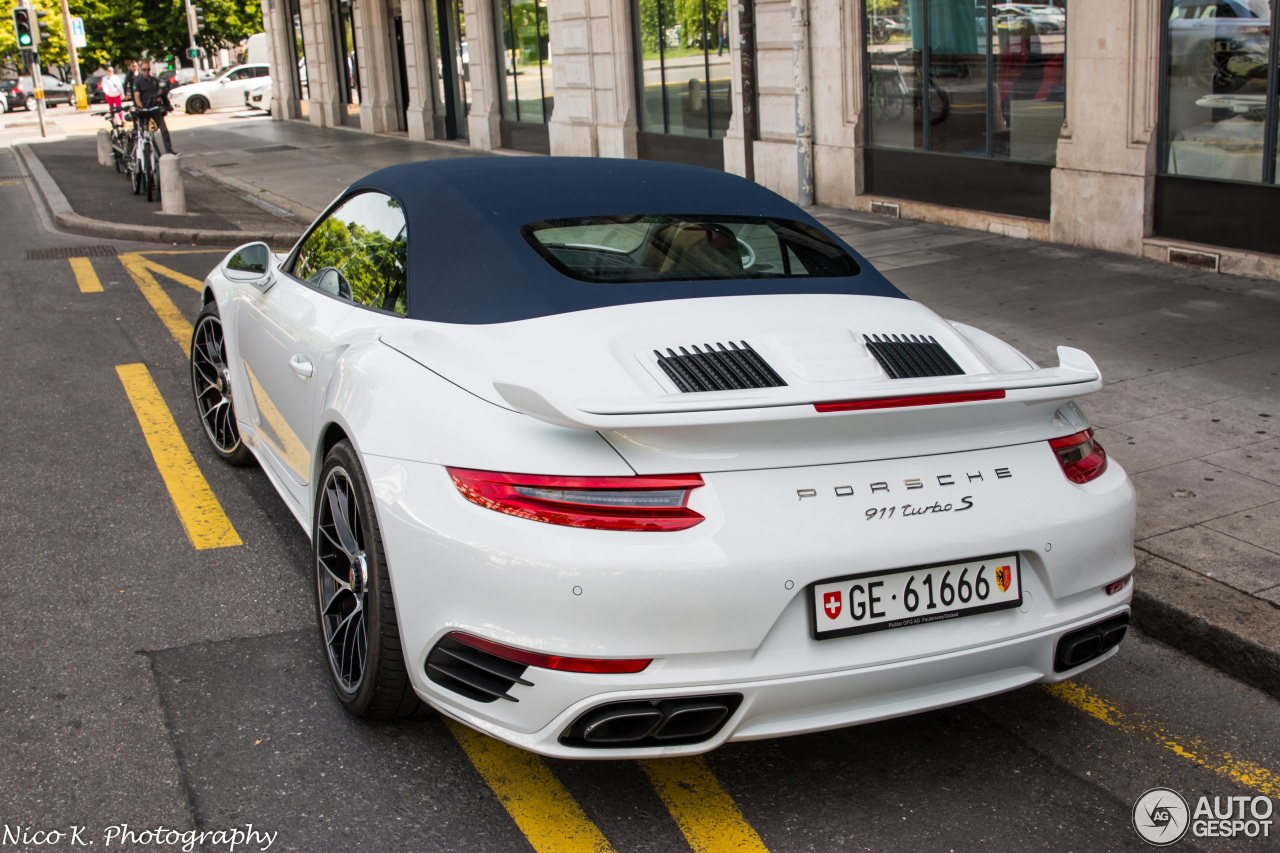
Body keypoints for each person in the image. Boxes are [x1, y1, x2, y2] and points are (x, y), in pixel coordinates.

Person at [132, 61, 176, 155]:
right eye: (144, 69)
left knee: (163, 129)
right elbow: (136, 96)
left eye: (148, 69)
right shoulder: (138, 82)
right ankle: (154, 153)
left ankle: (169, 150)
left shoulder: (154, 80)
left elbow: (157, 91)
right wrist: (141, 107)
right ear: (141, 70)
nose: (146, 71)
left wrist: (160, 98)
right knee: (147, 133)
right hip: (145, 109)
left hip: (155, 108)